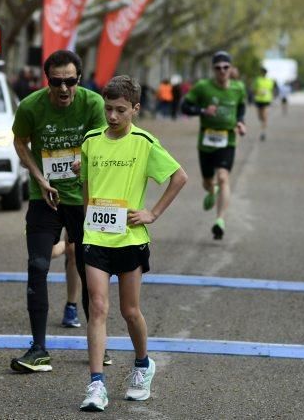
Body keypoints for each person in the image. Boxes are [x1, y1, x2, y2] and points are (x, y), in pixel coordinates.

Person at [78, 75, 187, 412]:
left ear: (135, 109)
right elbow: (85, 184)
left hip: (130, 239)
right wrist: (87, 219)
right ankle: (96, 385)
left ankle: (143, 366)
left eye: (120, 110)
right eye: (108, 109)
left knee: (129, 311)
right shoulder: (91, 140)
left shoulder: (144, 142)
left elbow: (179, 177)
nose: (112, 116)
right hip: (95, 236)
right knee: (97, 307)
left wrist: (152, 212)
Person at [9, 49, 107, 373]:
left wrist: (88, 161)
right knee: (37, 266)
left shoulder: (93, 104)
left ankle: (98, 343)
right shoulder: (30, 106)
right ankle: (38, 349)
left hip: (82, 198)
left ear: (80, 78)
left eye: (70, 82)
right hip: (44, 197)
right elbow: (20, 142)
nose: (63, 89)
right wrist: (39, 177)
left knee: (86, 268)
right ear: (47, 80)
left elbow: (105, 143)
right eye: (56, 82)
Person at [181, 51, 247, 240]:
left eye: (226, 67)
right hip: (206, 141)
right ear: (213, 70)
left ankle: (220, 221)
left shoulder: (238, 88)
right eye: (218, 68)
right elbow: (184, 107)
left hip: (228, 139)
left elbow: (241, 107)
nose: (222, 71)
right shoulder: (203, 87)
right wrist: (202, 110)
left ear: (231, 68)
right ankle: (212, 189)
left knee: (224, 177)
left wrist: (241, 122)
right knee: (208, 182)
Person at [252, 67, 274, 141]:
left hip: (266, 100)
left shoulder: (270, 81)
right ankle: (263, 124)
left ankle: (263, 132)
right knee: (259, 116)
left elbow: (271, 90)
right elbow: (254, 89)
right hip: (258, 99)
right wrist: (258, 92)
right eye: (263, 72)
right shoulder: (257, 80)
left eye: (265, 72)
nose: (264, 73)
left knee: (264, 115)